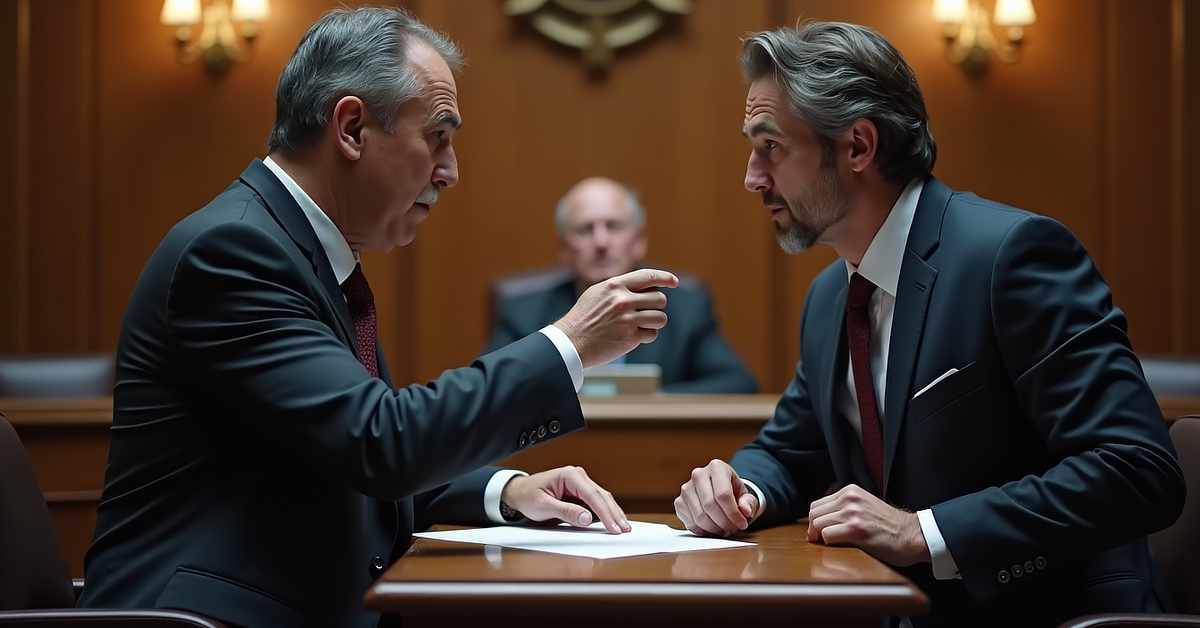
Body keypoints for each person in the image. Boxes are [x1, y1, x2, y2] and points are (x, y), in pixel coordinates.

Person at [78, 8, 678, 628]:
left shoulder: (301, 252)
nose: (451, 171)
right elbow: (378, 444)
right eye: (438, 137)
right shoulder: (234, 253)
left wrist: (506, 491)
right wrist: (570, 342)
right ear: (353, 128)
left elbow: (338, 453)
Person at [673, 22, 1185, 627]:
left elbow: (1136, 468)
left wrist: (926, 532)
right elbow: (794, 449)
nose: (752, 177)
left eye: (771, 147)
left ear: (858, 146)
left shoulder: (1009, 257)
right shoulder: (831, 295)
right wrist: (741, 490)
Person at [487, 177, 757, 393]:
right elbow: (495, 387)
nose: (601, 242)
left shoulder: (686, 307)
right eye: (585, 229)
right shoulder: (523, 311)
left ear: (639, 241)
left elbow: (737, 383)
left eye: (613, 226)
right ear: (564, 249)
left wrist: (651, 405)